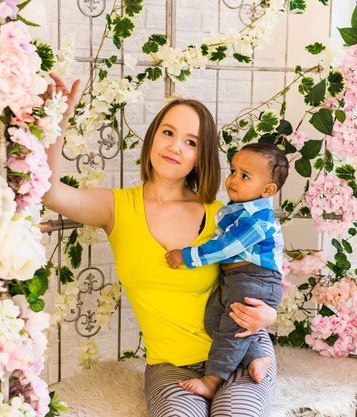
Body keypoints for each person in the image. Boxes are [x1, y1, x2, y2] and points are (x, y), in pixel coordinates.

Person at [42, 74, 278, 417]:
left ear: (201, 155)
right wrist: (55, 121)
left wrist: (268, 315)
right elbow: (49, 191)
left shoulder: (223, 216)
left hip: (241, 356)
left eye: (191, 142)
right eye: (168, 133)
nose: (175, 147)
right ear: (152, 137)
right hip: (171, 369)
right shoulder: (116, 207)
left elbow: (262, 273)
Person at [165, 143, 288, 400]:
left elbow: (226, 247)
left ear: (267, 190)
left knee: (232, 327)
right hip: (236, 278)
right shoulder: (238, 209)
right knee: (214, 321)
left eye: (245, 176)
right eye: (233, 171)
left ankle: (212, 380)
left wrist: (187, 256)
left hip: (257, 280)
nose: (233, 179)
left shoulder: (257, 219)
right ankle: (258, 355)